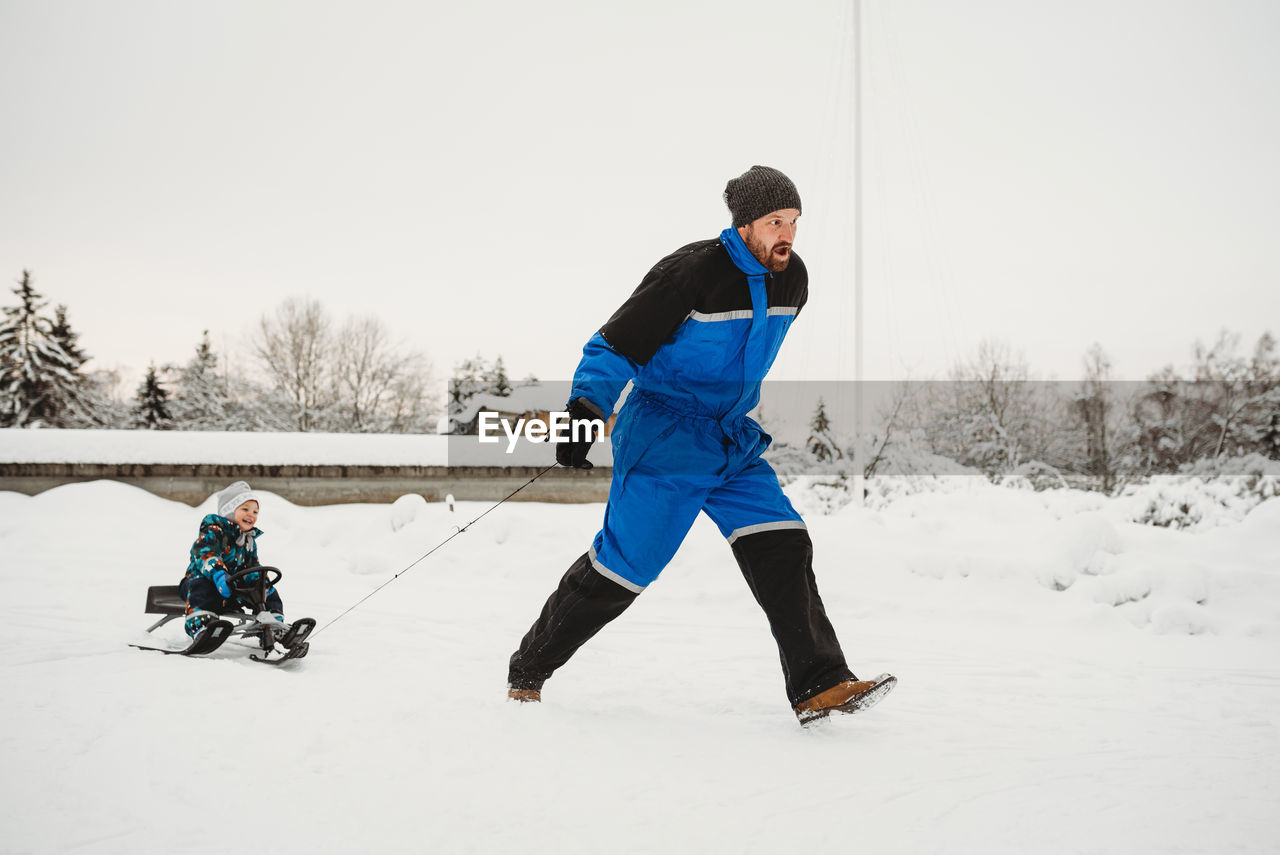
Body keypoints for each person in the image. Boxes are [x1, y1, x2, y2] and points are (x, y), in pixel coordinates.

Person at [507, 165, 896, 724]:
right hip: (664, 435)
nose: (786, 233)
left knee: (782, 542)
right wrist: (586, 410)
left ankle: (819, 683)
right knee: (626, 566)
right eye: (773, 222)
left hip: (731, 436)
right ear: (743, 225)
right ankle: (529, 669)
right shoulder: (689, 274)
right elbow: (614, 346)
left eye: (793, 222)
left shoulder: (794, 279)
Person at [179, 480, 287, 639]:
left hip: (232, 588)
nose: (252, 515)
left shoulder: (249, 540)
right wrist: (219, 575)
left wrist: (260, 582)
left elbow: (252, 565)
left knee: (268, 591)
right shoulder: (214, 531)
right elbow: (204, 554)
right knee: (203, 586)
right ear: (229, 511)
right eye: (245, 509)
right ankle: (202, 627)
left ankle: (274, 627)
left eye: (256, 512)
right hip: (200, 584)